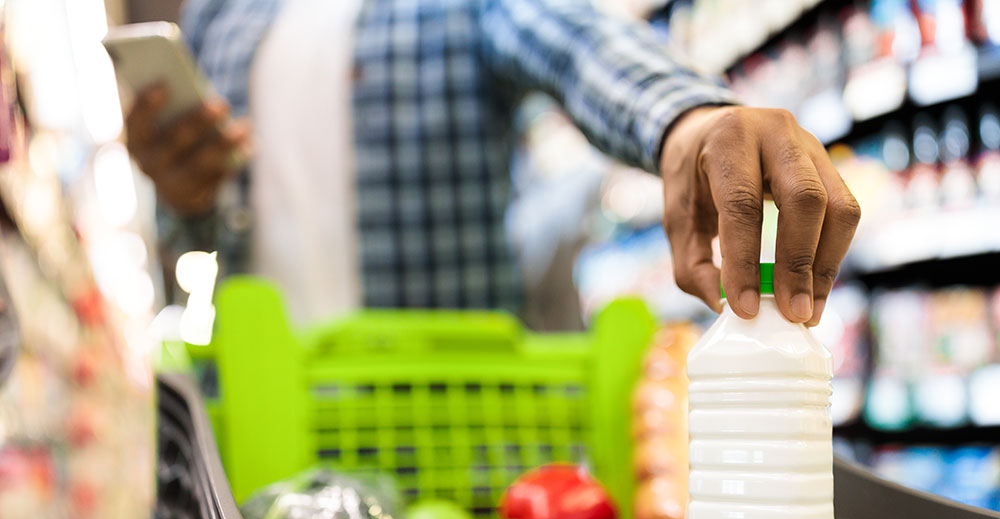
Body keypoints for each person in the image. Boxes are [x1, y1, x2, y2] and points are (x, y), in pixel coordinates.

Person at [126, 0, 860, 327]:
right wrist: (181, 194)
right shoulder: (221, 15)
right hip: (271, 402)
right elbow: (202, 237)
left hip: (454, 421)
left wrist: (686, 117)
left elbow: (577, 45)